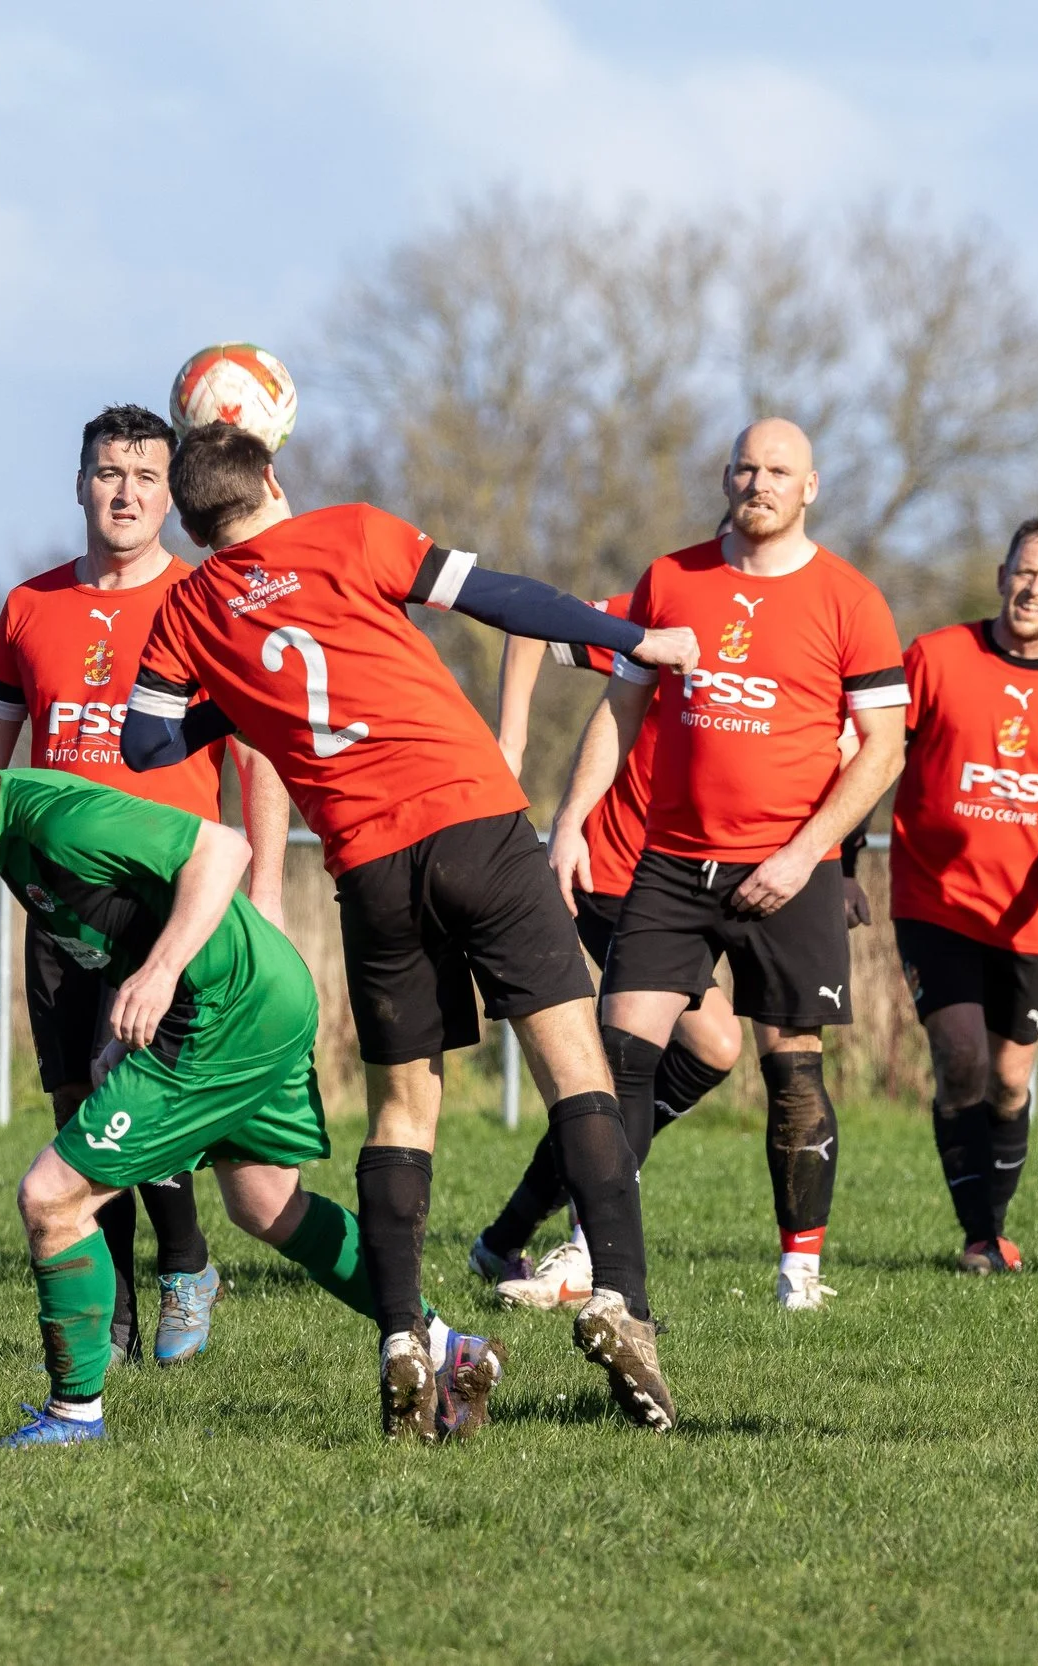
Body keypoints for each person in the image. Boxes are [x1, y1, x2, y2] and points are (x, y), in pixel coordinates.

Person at [122, 422, 701, 1434]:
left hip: (369, 867)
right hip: (473, 821)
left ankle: (400, 1332)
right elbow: (499, 596)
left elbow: (144, 741)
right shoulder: (349, 532)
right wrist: (631, 639)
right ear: (270, 477)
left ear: (188, 514)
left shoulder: (188, 607)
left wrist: (246, 694)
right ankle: (622, 1303)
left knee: (401, 1109)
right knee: (578, 1068)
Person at [0, 708, 504, 1446]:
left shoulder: (61, 821)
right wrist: (123, 1029)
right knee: (266, 1205)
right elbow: (122, 920)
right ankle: (448, 1345)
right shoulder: (6, 835)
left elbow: (220, 848)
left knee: (51, 1199)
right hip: (263, 996)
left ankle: (74, 1416)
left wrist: (164, 974)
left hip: (223, 1013)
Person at [0, 404, 295, 1369]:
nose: (126, 493)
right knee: (78, 1101)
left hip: (164, 904)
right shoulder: (28, 606)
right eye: (109, 474)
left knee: (138, 1084)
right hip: (54, 900)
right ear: (80, 484)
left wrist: (270, 889)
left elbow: (263, 755)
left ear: (172, 495)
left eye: (146, 478)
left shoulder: (211, 598)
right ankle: (112, 1310)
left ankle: (187, 1263)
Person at [549, 418, 908, 1312]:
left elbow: (884, 750)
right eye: (747, 467)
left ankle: (800, 1273)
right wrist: (570, 820)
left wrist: (803, 854)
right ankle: (598, 1255)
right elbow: (619, 711)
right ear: (725, 476)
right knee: (619, 1056)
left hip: (791, 870)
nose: (760, 482)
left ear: (810, 488)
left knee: (792, 1071)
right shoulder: (671, 578)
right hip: (669, 863)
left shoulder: (851, 599)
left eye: (779, 470)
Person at [467, 598, 744, 1310]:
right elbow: (528, 625)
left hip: (690, 881)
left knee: (710, 1049)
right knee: (658, 1060)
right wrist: (513, 745)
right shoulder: (666, 612)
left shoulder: (802, 630)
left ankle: (507, 1235)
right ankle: (586, 1255)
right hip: (620, 875)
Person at [886, 518, 1038, 1274]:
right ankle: (981, 1235)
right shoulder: (934, 657)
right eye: (1024, 572)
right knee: (961, 1062)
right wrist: (842, 852)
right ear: (1000, 575)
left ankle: (993, 1225)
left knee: (1012, 1077)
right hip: (933, 898)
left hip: (1026, 915)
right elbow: (872, 754)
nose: (1032, 588)